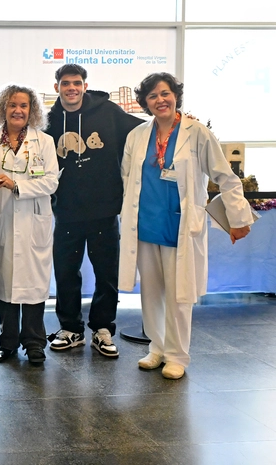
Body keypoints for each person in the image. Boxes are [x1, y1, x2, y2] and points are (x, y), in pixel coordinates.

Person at [119, 72, 254, 380]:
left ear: (175, 96)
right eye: (152, 96)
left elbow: (225, 177)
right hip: (146, 225)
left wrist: (237, 218)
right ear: (145, 103)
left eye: (165, 93)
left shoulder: (197, 132)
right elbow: (129, 179)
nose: (160, 100)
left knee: (180, 294)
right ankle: (157, 347)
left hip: (179, 226)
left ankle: (177, 355)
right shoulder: (138, 135)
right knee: (151, 291)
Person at [44, 64, 142, 358]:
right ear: (57, 87)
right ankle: (71, 328)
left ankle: (102, 329)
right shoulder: (49, 120)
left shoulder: (107, 112)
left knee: (106, 273)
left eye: (76, 83)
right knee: (66, 273)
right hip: (67, 211)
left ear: (85, 86)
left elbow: (142, 131)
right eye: (65, 83)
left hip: (104, 209)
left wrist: (174, 123)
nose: (71, 88)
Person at [0, 86, 59, 364]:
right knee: (7, 283)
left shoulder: (44, 142)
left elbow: (51, 181)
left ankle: (35, 343)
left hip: (34, 218)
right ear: (3, 108)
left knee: (34, 284)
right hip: (3, 219)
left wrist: (16, 185)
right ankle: (8, 342)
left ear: (31, 110)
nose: (18, 110)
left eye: (24, 105)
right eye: (12, 105)